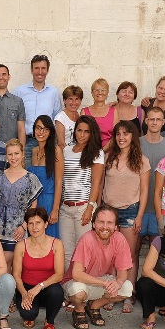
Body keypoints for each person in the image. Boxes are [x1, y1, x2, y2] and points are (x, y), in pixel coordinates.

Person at [102, 121, 150, 305]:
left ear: (133, 136)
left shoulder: (142, 161)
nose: (121, 138)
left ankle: (128, 294)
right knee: (110, 254)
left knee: (128, 255)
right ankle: (111, 294)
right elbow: (101, 185)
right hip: (109, 211)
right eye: (118, 134)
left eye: (126, 134)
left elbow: (144, 191)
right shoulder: (108, 158)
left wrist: (139, 216)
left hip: (130, 211)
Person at [63, 205, 133, 329]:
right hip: (77, 282)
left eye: (109, 223)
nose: (105, 227)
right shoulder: (86, 240)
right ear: (93, 224)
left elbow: (123, 272)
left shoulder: (119, 239)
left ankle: (94, 306)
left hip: (100, 280)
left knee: (127, 288)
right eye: (101, 222)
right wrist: (105, 283)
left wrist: (118, 283)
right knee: (78, 291)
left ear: (116, 226)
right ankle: (79, 310)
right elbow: (77, 274)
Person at [12, 207, 66, 329]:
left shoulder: (57, 244)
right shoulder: (21, 245)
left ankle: (49, 322)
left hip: (47, 287)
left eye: (38, 223)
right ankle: (30, 314)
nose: (34, 227)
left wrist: (39, 286)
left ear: (46, 224)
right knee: (28, 314)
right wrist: (24, 293)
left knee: (57, 292)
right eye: (30, 223)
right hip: (26, 287)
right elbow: (16, 274)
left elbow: (59, 274)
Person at [0, 139, 43, 269]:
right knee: (0, 264)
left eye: (16, 153)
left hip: (19, 228)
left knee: (16, 265)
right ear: (6, 156)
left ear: (23, 154)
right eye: (10, 154)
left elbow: (33, 207)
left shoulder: (31, 178)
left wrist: (24, 226)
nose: (13, 157)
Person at [60, 115, 105, 269]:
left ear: (92, 133)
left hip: (83, 207)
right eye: (79, 130)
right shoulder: (66, 150)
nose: (82, 135)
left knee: (83, 253)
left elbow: (96, 183)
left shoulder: (97, 153)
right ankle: (68, 283)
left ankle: (82, 282)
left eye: (86, 131)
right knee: (66, 253)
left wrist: (90, 208)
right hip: (65, 208)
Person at [139, 107, 165, 244]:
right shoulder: (136, 144)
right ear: (146, 121)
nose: (154, 122)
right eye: (151, 119)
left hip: (160, 208)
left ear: (163, 122)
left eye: (158, 119)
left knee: (156, 249)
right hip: (138, 207)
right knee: (134, 249)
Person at [15, 54, 61, 163]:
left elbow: (57, 118)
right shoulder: (19, 92)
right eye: (36, 68)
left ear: (47, 70)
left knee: (47, 172)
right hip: (26, 142)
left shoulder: (53, 92)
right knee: (27, 172)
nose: (40, 72)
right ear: (31, 70)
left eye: (43, 68)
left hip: (48, 142)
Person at [28, 115, 63, 238]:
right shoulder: (34, 151)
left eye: (45, 129)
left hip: (48, 202)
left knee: (48, 239)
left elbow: (59, 181)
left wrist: (55, 209)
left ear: (50, 132)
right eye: (38, 128)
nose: (41, 132)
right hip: (33, 203)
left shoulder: (56, 151)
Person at [100, 81, 145, 145]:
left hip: (134, 149)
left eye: (131, 92)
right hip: (113, 149)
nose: (127, 94)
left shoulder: (140, 112)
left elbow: (142, 134)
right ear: (118, 94)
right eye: (124, 91)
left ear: (134, 96)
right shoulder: (109, 111)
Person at [80, 78, 112, 149]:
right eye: (97, 90)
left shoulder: (114, 111)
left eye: (103, 90)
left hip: (110, 152)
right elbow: (81, 135)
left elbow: (116, 135)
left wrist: (102, 151)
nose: (100, 92)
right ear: (92, 92)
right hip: (89, 151)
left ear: (107, 92)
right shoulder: (84, 112)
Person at [54, 85, 83, 149]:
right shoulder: (60, 118)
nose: (74, 102)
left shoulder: (81, 115)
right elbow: (61, 143)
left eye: (77, 99)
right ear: (64, 100)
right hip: (66, 153)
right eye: (70, 99)